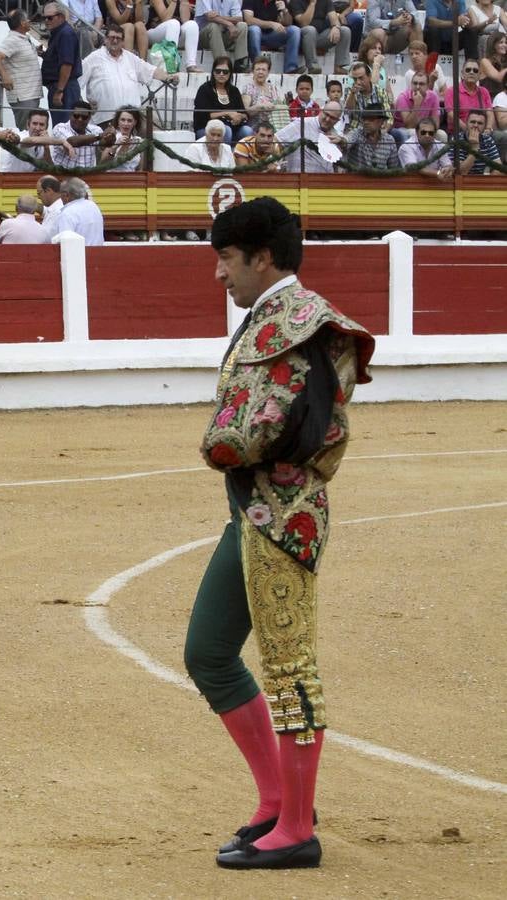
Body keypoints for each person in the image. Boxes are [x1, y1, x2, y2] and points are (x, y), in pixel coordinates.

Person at [188, 196, 374, 872]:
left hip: (284, 517)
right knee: (208, 652)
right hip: (251, 511)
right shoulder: (277, 318)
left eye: (227, 260)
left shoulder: (301, 322)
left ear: (262, 258)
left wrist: (220, 444)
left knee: (291, 668)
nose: (220, 275)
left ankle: (297, 828)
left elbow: (268, 426)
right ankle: (275, 801)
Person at [80, 22, 179, 124]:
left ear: (123, 41)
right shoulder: (93, 58)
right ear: (105, 39)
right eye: (111, 37)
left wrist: (167, 77)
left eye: (118, 38)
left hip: (132, 119)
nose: (115, 41)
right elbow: (78, 81)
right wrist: (85, 104)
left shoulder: (131, 58)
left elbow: (151, 70)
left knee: (152, 129)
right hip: (105, 119)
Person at [0, 10, 43, 129]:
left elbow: (19, 53)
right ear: (22, 23)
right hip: (23, 96)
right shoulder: (12, 40)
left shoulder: (23, 38)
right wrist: (5, 76)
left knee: (33, 131)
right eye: (27, 19)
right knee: (26, 132)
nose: (30, 21)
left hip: (31, 94)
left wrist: (35, 51)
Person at [41, 4, 83, 124]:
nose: (46, 21)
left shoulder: (65, 34)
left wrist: (59, 91)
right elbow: (60, 59)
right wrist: (44, 54)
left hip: (65, 88)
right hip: (63, 86)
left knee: (63, 127)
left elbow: (67, 65)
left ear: (61, 17)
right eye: (44, 17)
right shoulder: (59, 32)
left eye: (50, 18)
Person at [194, 56, 251, 141]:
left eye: (225, 72)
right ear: (213, 72)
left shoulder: (234, 90)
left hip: (233, 128)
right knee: (225, 130)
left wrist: (239, 117)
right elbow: (202, 116)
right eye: (218, 71)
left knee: (247, 130)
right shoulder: (205, 89)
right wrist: (227, 113)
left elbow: (244, 114)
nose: (221, 74)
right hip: (207, 129)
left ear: (230, 73)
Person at [291, 0, 352, 75]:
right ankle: (312, 66)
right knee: (310, 29)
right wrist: (312, 4)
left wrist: (336, 27)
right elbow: (304, 23)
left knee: (344, 31)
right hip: (302, 39)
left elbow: (333, 17)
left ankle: (340, 67)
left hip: (319, 36)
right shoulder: (295, 1)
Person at [244, 0, 302, 74]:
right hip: (254, 37)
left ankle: (291, 69)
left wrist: (285, 11)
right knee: (254, 29)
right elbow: (248, 20)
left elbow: (288, 23)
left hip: (272, 36)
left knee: (294, 30)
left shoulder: (279, 1)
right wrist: (271, 24)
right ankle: (258, 66)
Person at [196, 0, 250, 71]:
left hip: (224, 34)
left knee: (242, 25)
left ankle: (240, 63)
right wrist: (229, 24)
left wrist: (218, 17)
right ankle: (223, 64)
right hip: (204, 37)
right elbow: (209, 17)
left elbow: (239, 18)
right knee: (213, 26)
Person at [242, 57, 290, 132]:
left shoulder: (273, 88)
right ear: (253, 71)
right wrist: (261, 106)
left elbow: (278, 107)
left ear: (268, 72)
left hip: (273, 126)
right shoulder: (248, 88)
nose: (260, 72)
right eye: (258, 69)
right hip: (255, 127)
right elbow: (246, 110)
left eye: (264, 70)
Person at [397, 115, 454, 179]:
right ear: (416, 132)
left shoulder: (440, 146)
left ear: (435, 134)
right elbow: (413, 167)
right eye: (423, 132)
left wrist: (447, 170)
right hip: (411, 184)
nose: (427, 135)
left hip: (435, 185)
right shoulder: (407, 147)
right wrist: (437, 173)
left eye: (430, 133)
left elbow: (448, 165)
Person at [51, 177, 104, 244]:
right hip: (98, 252)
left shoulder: (67, 213)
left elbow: (66, 243)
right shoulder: (93, 206)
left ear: (66, 195)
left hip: (79, 254)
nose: (59, 197)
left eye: (60, 194)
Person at [52, 99, 104, 166]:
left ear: (89, 118)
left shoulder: (96, 130)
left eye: (84, 117)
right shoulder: (59, 128)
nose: (80, 119)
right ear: (70, 114)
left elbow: (105, 144)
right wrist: (99, 136)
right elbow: (72, 141)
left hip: (87, 174)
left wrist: (110, 136)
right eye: (76, 116)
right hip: (64, 174)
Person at [393, 71, 440, 143]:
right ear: (411, 84)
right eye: (415, 83)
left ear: (427, 86)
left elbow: (436, 124)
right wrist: (417, 105)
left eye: (421, 84)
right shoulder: (403, 97)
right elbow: (409, 125)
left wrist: (425, 131)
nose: (417, 87)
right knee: (413, 133)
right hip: (403, 129)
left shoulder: (433, 96)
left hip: (424, 128)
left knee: (441, 135)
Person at [454, 107, 502, 173]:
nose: (476, 125)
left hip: (482, 180)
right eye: (473, 122)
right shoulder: (457, 139)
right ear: (466, 122)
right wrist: (475, 148)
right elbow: (461, 172)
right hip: (463, 180)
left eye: (480, 123)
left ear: (485, 126)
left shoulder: (488, 139)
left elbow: (498, 167)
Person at [99, 104, 145, 170]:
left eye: (129, 121)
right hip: (113, 178)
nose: (125, 124)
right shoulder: (111, 138)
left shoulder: (139, 141)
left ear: (135, 122)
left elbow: (140, 169)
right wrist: (115, 146)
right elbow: (102, 164)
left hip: (132, 178)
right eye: (123, 120)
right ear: (118, 121)